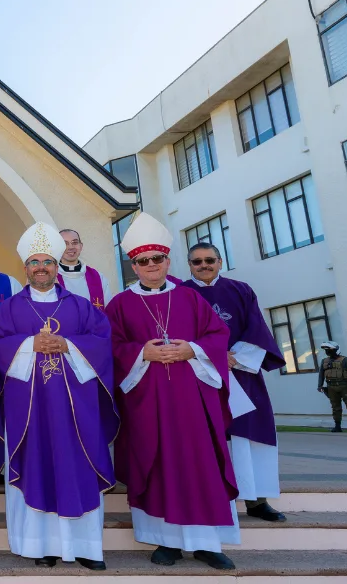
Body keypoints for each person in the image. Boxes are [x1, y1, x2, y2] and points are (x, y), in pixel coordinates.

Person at [104, 213, 238, 570]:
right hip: (146, 402)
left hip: (192, 401)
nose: (150, 266)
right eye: (142, 261)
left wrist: (190, 350)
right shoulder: (119, 304)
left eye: (157, 259)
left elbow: (216, 336)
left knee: (199, 465)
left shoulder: (191, 299)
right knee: (156, 464)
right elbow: (110, 348)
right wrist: (140, 352)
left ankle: (207, 543)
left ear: (168, 260)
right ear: (133, 264)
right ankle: (164, 542)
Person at [0, 222, 117, 570]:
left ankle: (87, 548)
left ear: (56, 267)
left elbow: (103, 343)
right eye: (34, 262)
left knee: (78, 467)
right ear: (25, 268)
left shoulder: (82, 307)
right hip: (29, 411)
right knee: (35, 467)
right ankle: (38, 545)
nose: (41, 267)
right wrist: (29, 344)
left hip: (76, 411)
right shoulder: (8, 310)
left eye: (47, 261)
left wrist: (67, 345)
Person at [181, 243, 288, 522]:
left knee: (247, 435)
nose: (203, 266)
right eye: (197, 262)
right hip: (198, 375)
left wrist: (233, 357)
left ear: (220, 261)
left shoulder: (241, 290)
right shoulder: (180, 294)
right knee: (206, 436)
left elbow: (257, 329)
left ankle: (256, 500)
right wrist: (213, 355)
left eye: (209, 260)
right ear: (189, 264)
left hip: (241, 372)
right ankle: (213, 498)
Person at [56, 229, 114, 310]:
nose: (70, 247)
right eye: (65, 243)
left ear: (81, 246)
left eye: (75, 242)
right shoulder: (52, 277)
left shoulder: (98, 278)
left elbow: (109, 310)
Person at [317, 342, 347, 433]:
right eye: (326, 350)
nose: (328, 352)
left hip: (345, 386)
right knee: (335, 407)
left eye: (330, 350)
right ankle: (337, 426)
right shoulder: (325, 361)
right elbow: (321, 374)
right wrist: (320, 385)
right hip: (331, 387)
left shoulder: (346, 360)